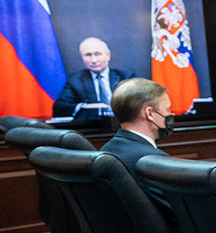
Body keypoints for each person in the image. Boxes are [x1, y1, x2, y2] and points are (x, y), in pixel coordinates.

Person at [101, 78, 177, 222]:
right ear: (149, 113)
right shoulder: (153, 161)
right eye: (167, 109)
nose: (169, 115)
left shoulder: (106, 150)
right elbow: (181, 215)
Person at [54, 37, 136, 121]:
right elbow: (59, 107)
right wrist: (85, 106)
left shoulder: (125, 77)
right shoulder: (75, 80)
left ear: (108, 56)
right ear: (82, 57)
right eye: (88, 55)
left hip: (122, 124)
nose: (94, 60)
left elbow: (137, 104)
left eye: (98, 54)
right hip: (90, 127)